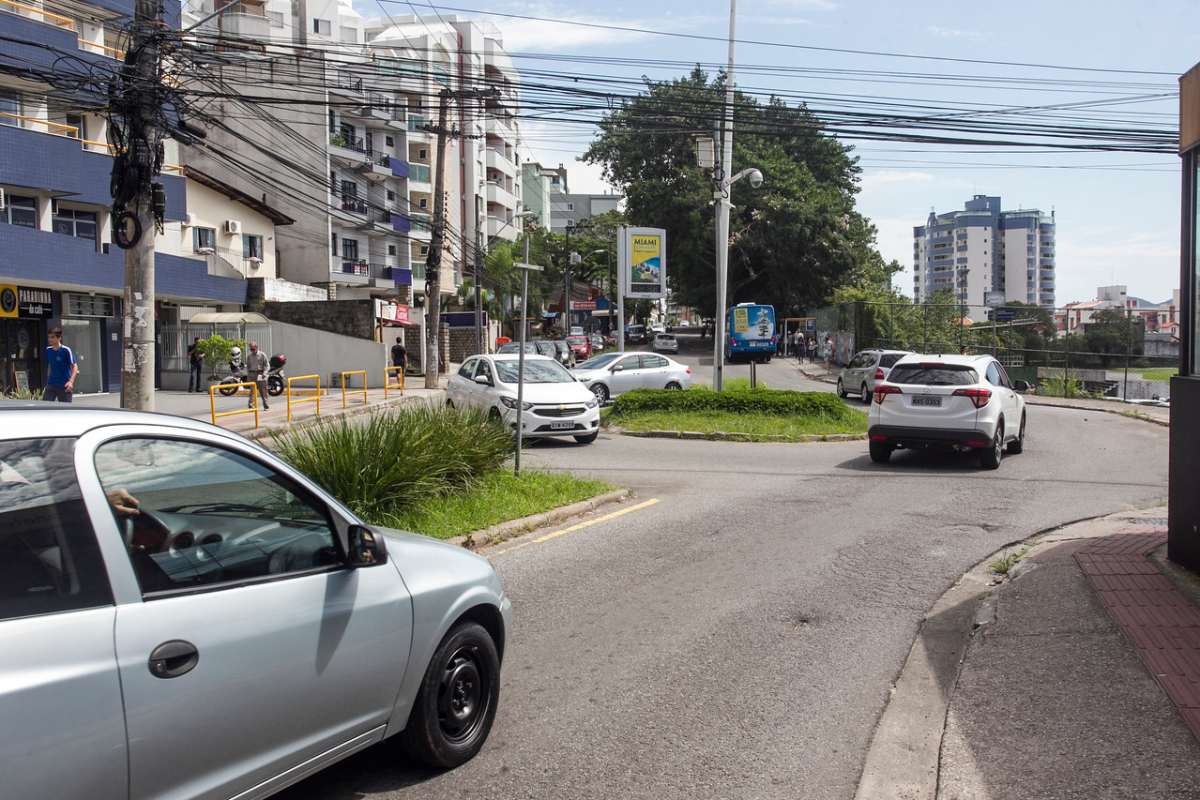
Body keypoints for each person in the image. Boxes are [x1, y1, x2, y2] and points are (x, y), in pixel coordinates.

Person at [43, 327, 77, 403]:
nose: (50, 339)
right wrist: (48, 379)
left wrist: (70, 382)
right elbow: (49, 366)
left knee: (65, 409)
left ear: (59, 338)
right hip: (51, 384)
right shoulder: (48, 350)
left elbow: (74, 366)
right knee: (45, 406)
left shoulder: (65, 350)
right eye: (49, 337)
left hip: (64, 385)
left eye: (52, 337)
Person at [244, 341, 269, 410]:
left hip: (260, 374)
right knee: (252, 391)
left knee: (263, 391)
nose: (252, 351)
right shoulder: (249, 356)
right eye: (251, 349)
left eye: (253, 349)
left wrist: (265, 373)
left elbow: (267, 365)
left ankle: (266, 405)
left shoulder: (262, 355)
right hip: (252, 374)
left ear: (256, 348)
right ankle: (251, 405)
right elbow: (248, 366)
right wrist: (248, 375)